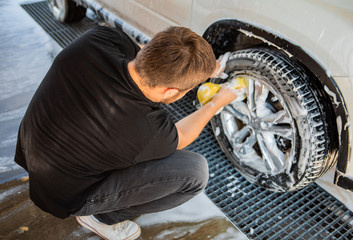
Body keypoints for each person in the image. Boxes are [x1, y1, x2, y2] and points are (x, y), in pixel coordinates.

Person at [14, 26, 238, 240]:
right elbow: (182, 135)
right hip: (62, 196)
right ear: (170, 91)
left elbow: (139, 50)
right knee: (194, 173)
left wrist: (199, 70)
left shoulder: (97, 39)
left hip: (31, 150)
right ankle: (100, 218)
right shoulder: (148, 131)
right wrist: (216, 103)